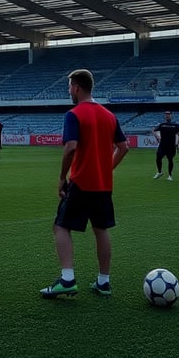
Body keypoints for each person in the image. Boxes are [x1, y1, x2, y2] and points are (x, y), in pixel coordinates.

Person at [40, 69, 129, 298]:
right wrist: (105, 168)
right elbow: (124, 147)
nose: (69, 91)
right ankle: (103, 282)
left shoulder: (74, 114)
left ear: (77, 87)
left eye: (69, 86)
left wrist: (61, 177)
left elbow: (71, 147)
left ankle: (67, 279)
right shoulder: (109, 115)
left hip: (80, 182)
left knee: (61, 226)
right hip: (102, 185)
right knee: (101, 230)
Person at [151, 110, 179, 181]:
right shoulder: (162, 124)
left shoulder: (175, 125)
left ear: (171, 115)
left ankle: (170, 175)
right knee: (158, 157)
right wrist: (157, 136)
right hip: (162, 145)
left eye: (168, 114)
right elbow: (153, 130)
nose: (167, 115)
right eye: (166, 114)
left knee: (170, 160)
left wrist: (178, 143)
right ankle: (159, 172)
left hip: (171, 146)